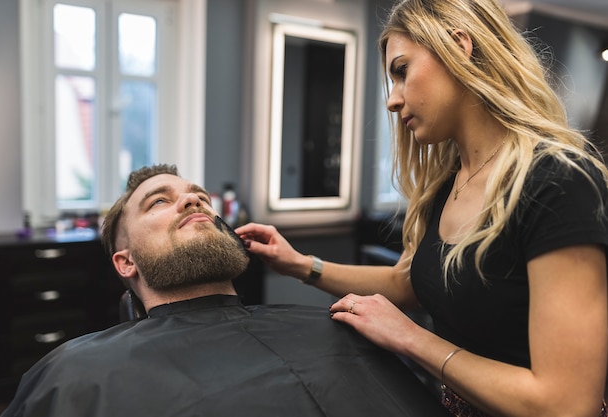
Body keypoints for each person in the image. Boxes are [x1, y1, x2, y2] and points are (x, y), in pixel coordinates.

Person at [235, 0, 608, 416]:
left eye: (401, 71)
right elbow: (411, 283)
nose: (392, 101)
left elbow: (567, 404)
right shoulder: (447, 185)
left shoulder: (556, 181)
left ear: (459, 45)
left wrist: (410, 338)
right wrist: (302, 265)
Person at [0, 164, 451, 417]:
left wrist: (300, 264)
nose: (192, 200)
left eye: (200, 196)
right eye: (159, 201)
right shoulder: (72, 377)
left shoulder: (343, 327)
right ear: (126, 263)